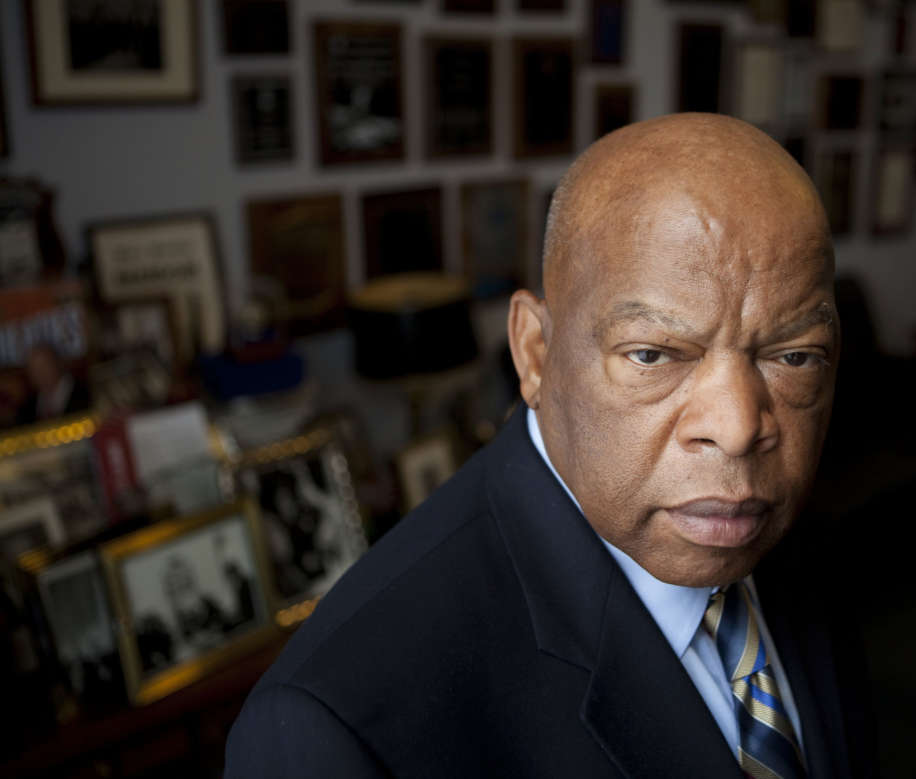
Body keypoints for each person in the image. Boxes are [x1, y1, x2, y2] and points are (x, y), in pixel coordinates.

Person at [225, 113, 878, 778]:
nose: (740, 427)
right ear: (534, 353)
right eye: (653, 354)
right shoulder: (331, 728)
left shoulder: (794, 531)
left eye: (795, 356)